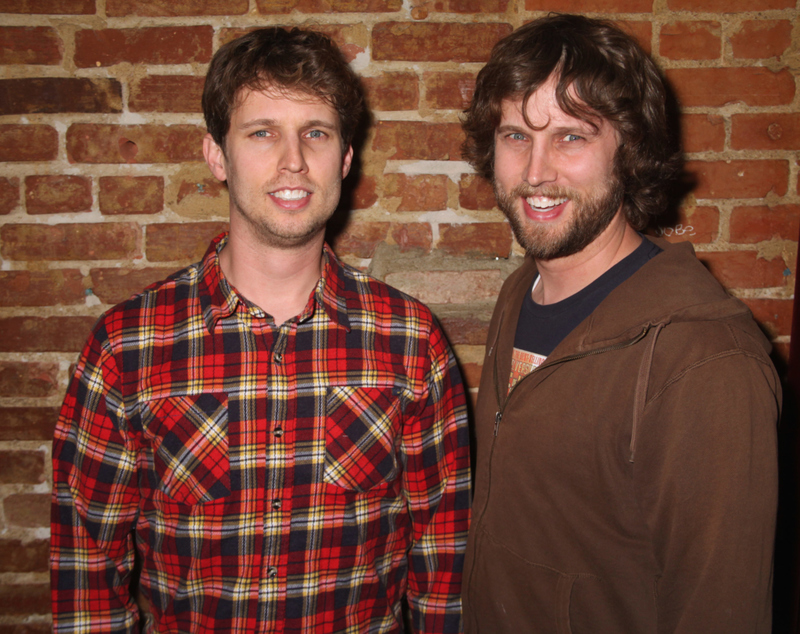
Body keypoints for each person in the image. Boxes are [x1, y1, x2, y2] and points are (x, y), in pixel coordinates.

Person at [51, 27, 470, 633]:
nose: (293, 160)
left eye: (316, 134)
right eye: (262, 132)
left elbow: (444, 569)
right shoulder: (127, 346)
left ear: (345, 158)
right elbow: (86, 574)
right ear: (217, 155)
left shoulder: (411, 342)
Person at [460, 14, 779, 633]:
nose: (535, 172)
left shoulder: (705, 360)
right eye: (516, 136)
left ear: (627, 150)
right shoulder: (519, 291)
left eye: (572, 138)